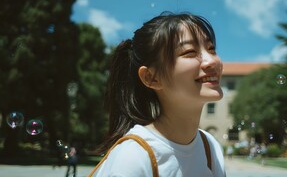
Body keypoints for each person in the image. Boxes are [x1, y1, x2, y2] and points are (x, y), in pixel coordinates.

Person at [90, 12, 226, 176]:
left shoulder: (210, 147)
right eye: (190, 52)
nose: (212, 60)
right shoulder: (133, 158)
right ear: (151, 78)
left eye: (211, 49)